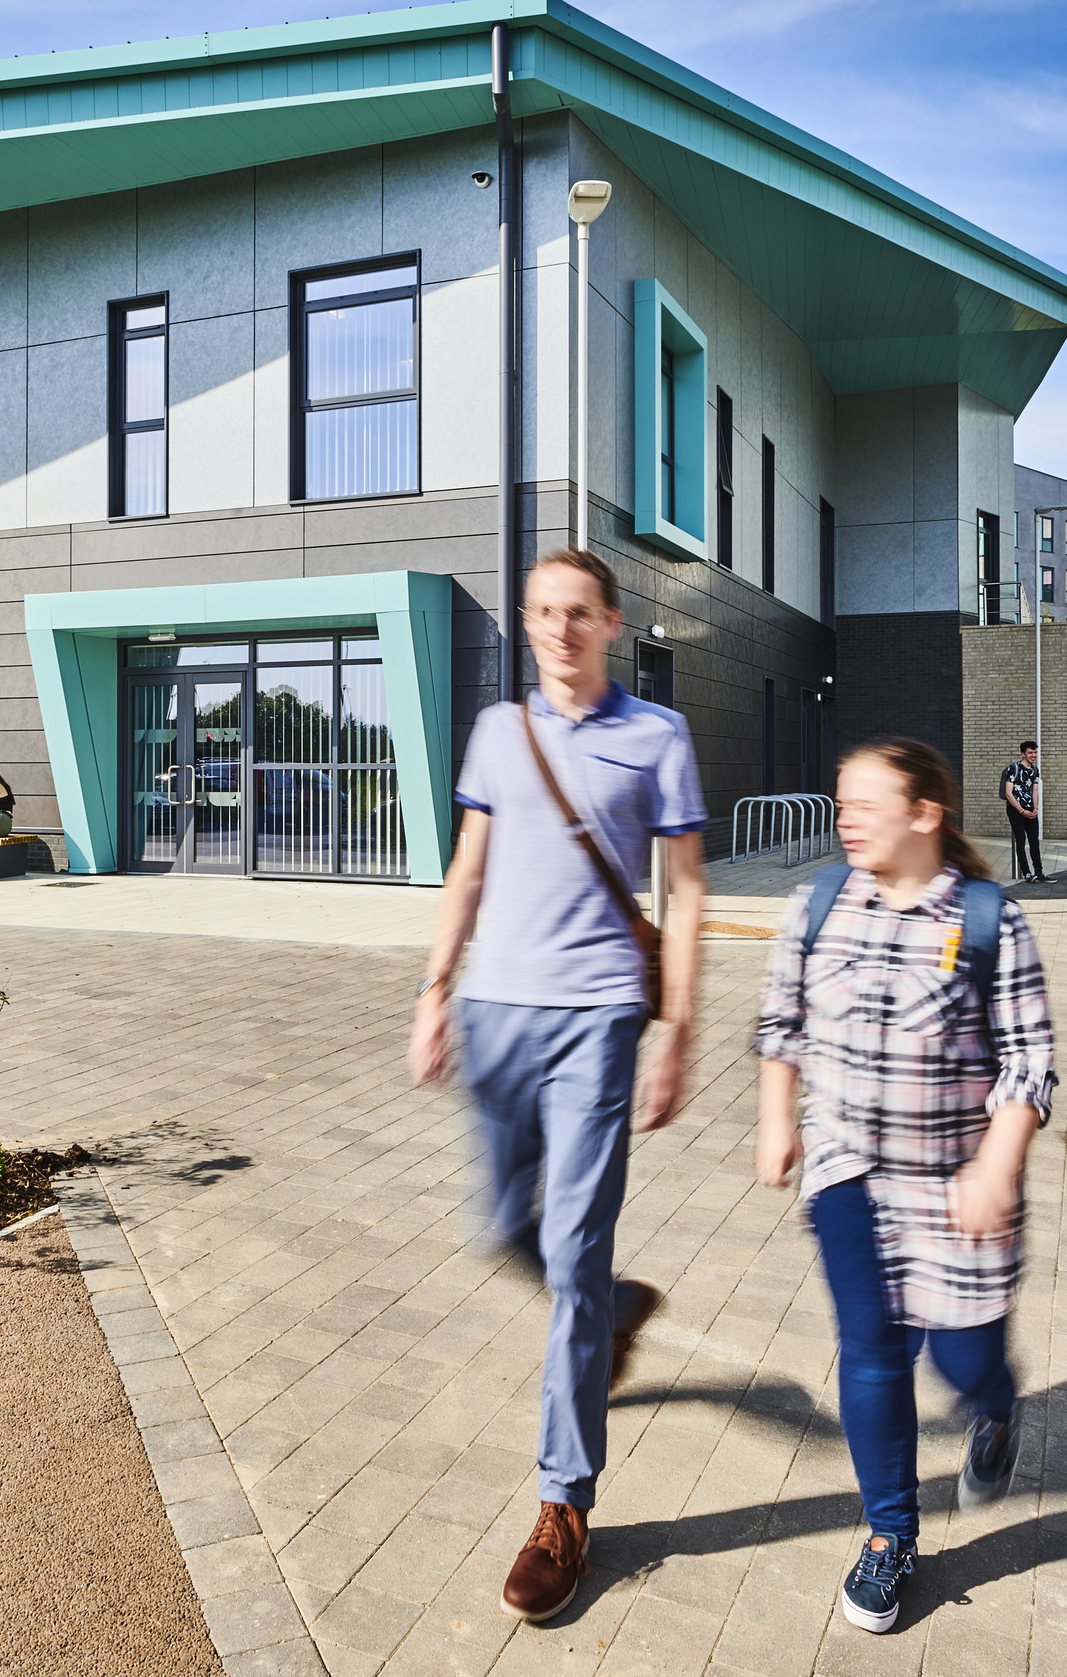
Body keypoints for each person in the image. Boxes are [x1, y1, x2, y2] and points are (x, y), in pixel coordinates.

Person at [408, 548, 706, 1625]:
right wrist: (433, 988)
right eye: (542, 612)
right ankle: (617, 1310)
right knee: (496, 1228)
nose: (559, 628)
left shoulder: (655, 737)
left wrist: (677, 1028)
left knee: (574, 1251)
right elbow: (467, 866)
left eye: (577, 611)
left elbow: (684, 888)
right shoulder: (500, 731)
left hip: (596, 1024)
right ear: (527, 624)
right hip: (494, 1013)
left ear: (611, 622)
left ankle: (560, 1502)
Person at [756, 737, 1056, 1636]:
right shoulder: (817, 904)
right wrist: (778, 1120)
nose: (843, 817)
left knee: (961, 1360)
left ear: (924, 813)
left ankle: (996, 1410)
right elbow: (780, 1024)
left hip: (957, 1185)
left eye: (864, 802)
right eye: (839, 801)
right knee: (872, 1352)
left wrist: (996, 1166)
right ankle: (891, 1536)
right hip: (846, 1170)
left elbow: (1029, 1064)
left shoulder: (984, 919)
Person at [998, 741, 1045, 884]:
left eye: (1035, 752)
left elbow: (1035, 790)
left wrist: (1035, 807)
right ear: (1023, 754)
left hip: (1030, 809)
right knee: (1021, 840)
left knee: (1034, 841)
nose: (1034, 755)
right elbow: (1008, 793)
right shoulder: (1013, 768)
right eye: (1030, 752)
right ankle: (1027, 873)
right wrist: (1022, 810)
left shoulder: (1035, 770)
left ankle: (1039, 872)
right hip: (1015, 809)